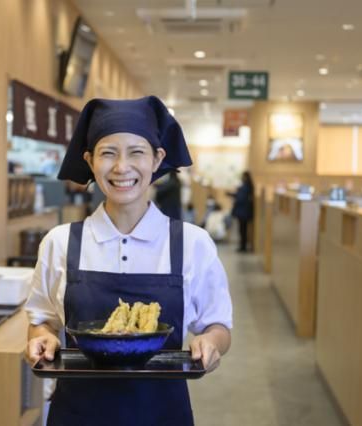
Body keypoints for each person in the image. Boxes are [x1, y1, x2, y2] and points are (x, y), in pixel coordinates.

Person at [24, 96, 233, 426]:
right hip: (76, 414)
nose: (122, 167)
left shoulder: (192, 243)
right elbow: (43, 320)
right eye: (108, 153)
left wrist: (210, 342)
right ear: (90, 160)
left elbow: (218, 325)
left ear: (157, 158)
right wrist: (42, 336)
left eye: (136, 152)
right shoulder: (60, 242)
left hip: (163, 415)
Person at [228, 171, 255, 252]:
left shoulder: (245, 186)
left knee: (242, 230)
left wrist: (234, 195)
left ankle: (243, 246)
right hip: (244, 211)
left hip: (243, 212)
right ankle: (243, 246)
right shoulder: (248, 186)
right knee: (243, 229)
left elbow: (240, 198)